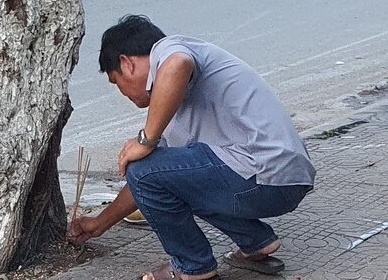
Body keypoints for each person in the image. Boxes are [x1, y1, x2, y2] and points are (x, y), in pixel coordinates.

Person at [69, 15, 316, 280]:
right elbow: (154, 180)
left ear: (126, 63)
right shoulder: (171, 106)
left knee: (144, 168)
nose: (123, 93)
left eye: (116, 82)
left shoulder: (168, 50)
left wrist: (145, 140)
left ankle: (192, 267)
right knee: (164, 175)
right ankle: (256, 242)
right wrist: (100, 223)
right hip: (284, 181)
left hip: (264, 173)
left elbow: (177, 65)